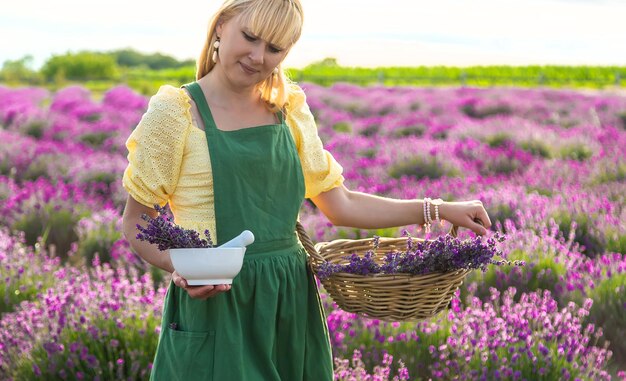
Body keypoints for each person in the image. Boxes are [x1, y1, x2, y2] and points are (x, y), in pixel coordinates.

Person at [121, 0, 492, 380]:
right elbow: (137, 218)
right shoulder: (176, 112)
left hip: (289, 301)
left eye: (275, 48)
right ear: (221, 27)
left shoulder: (288, 108)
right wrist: (183, 267)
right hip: (218, 301)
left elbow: (340, 203)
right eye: (250, 37)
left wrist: (438, 209)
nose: (258, 56)